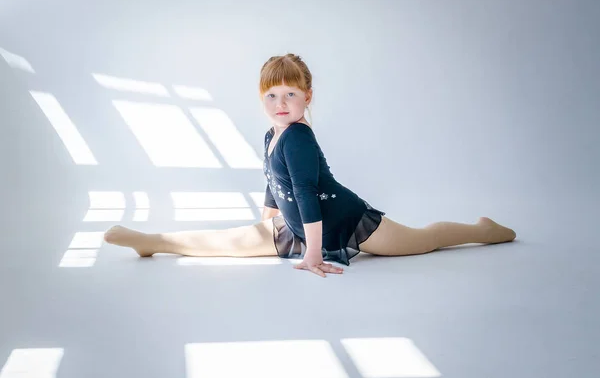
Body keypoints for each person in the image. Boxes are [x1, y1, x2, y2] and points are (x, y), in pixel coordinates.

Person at [103, 53, 517, 278]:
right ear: (260, 98)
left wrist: (314, 255)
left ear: (307, 97)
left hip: (344, 220)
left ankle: (482, 231)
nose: (281, 105)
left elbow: (304, 192)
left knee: (422, 240)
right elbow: (272, 180)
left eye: (290, 95)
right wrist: (268, 221)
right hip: (296, 224)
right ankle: (151, 240)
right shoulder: (272, 135)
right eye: (272, 96)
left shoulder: (299, 136)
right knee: (225, 242)